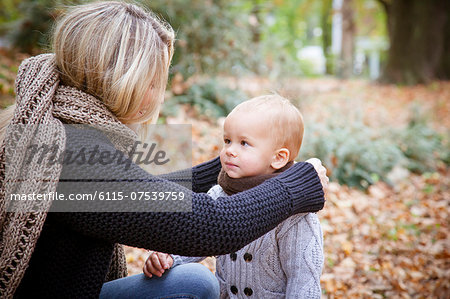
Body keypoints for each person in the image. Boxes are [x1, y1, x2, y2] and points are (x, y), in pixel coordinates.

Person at [0, 2, 328, 298]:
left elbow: (135, 193)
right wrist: (298, 183)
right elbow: (211, 226)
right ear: (125, 80)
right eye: (155, 81)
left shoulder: (50, 127)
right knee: (195, 283)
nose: (159, 94)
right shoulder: (71, 155)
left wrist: (234, 164)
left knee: (194, 281)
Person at [144, 95, 324, 298]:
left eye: (244, 143)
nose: (230, 150)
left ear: (278, 157)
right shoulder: (219, 192)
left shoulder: (295, 215)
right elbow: (200, 237)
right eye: (227, 141)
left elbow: (303, 281)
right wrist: (170, 257)